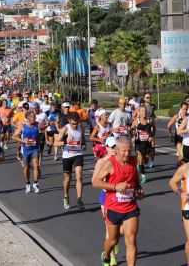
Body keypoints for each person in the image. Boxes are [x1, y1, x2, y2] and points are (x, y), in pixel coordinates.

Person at [92, 136, 143, 266]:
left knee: (131, 240)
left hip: (130, 207)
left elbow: (135, 181)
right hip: (113, 208)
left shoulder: (133, 161)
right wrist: (115, 187)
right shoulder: (110, 164)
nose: (127, 154)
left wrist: (139, 190)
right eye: (124, 151)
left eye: (129, 151)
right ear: (117, 150)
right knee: (113, 240)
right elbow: (95, 182)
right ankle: (107, 254)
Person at [92, 136, 119, 266]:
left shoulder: (121, 161)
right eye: (113, 147)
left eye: (116, 147)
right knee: (109, 230)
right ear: (107, 148)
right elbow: (94, 181)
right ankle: (109, 256)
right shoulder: (101, 162)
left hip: (120, 198)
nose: (115, 149)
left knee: (121, 231)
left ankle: (113, 242)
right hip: (106, 198)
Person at [55, 112, 86, 210]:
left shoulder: (81, 127)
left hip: (78, 154)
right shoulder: (65, 128)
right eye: (73, 123)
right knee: (67, 179)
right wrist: (65, 142)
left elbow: (83, 139)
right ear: (69, 121)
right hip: (67, 156)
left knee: (79, 176)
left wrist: (83, 144)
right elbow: (55, 143)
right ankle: (66, 196)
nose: (75, 125)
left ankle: (79, 199)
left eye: (76, 123)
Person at [13, 111, 40, 193]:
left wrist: (38, 141)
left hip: (35, 149)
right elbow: (14, 136)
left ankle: (35, 183)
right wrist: (23, 141)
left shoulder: (37, 124)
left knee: (36, 166)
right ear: (28, 118)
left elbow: (42, 131)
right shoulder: (23, 126)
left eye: (35, 117)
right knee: (26, 167)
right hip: (25, 150)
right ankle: (27, 183)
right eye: (32, 117)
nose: (34, 118)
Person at [132, 106, 155, 183]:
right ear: (139, 112)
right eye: (142, 111)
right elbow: (131, 129)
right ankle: (143, 175)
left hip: (147, 144)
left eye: (145, 111)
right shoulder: (136, 121)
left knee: (145, 160)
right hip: (139, 143)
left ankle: (140, 166)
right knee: (140, 158)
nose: (144, 113)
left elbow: (153, 129)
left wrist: (151, 137)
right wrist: (133, 133)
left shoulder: (149, 121)